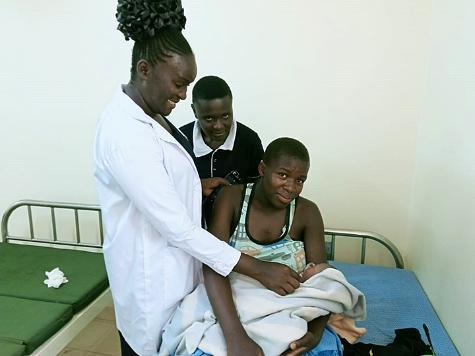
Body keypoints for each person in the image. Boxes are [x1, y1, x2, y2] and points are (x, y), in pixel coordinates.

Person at [93, 2, 300, 355]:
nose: (183, 95)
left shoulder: (152, 115)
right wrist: (258, 269)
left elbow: (158, 180)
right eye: (178, 83)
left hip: (179, 276)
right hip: (151, 285)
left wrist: (194, 187)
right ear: (144, 70)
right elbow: (178, 229)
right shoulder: (125, 135)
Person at [159, 138, 365, 356]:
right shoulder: (232, 199)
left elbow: (324, 284)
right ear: (262, 168)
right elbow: (213, 264)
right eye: (283, 175)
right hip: (231, 308)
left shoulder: (307, 213)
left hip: (290, 310)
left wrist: (313, 335)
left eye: (300, 180)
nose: (291, 187)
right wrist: (235, 337)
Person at [180, 75, 264, 222]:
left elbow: (259, 191)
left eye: (225, 116)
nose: (218, 126)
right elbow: (168, 188)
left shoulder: (249, 140)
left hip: (237, 225)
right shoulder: (180, 140)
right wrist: (197, 185)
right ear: (194, 111)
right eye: (209, 119)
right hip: (190, 224)